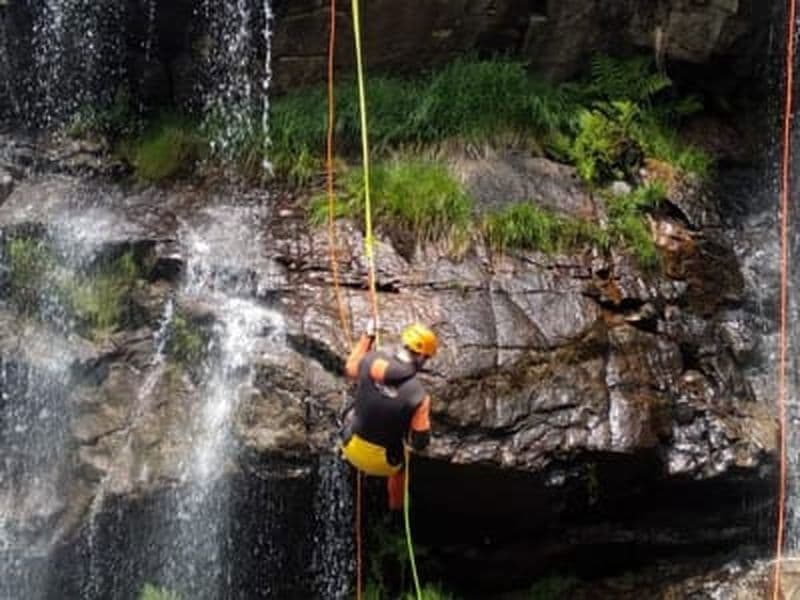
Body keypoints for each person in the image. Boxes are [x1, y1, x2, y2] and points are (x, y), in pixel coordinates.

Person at [340, 321, 437, 510]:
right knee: (401, 469)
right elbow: (419, 442)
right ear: (423, 357)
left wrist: (368, 336)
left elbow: (350, 369)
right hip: (384, 464)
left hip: (349, 446)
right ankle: (395, 508)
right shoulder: (420, 396)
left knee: (351, 406)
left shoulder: (371, 360)